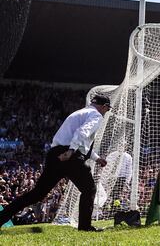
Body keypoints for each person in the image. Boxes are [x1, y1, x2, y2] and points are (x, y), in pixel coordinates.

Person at [0, 95, 112, 232]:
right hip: (69, 154)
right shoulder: (96, 115)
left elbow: (80, 141)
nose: (106, 112)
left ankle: (1, 218)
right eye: (107, 109)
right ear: (104, 106)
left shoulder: (79, 113)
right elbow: (82, 133)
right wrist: (70, 151)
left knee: (37, 194)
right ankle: (85, 227)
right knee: (89, 189)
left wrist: (96, 158)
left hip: (55, 155)